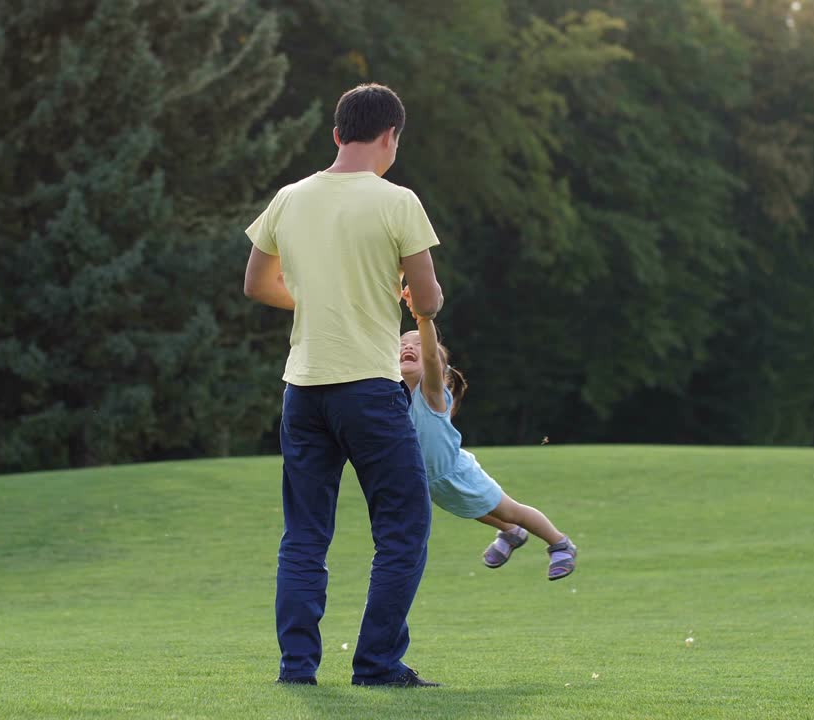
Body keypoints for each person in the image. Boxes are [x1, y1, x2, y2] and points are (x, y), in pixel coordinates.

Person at [243, 84, 443, 688]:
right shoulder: (398, 200)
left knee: (305, 534)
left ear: (336, 134)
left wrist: (312, 299)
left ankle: (296, 669)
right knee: (403, 526)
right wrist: (417, 306)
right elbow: (428, 299)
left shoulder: (288, 198)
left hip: (302, 389)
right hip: (369, 389)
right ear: (391, 137)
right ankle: (378, 664)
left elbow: (257, 283)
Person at [399, 287, 578, 580]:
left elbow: (431, 358)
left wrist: (422, 319)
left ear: (440, 370)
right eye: (403, 343)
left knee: (510, 510)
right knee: (474, 510)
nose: (408, 346)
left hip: (455, 472)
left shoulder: (431, 393)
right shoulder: (392, 395)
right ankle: (512, 535)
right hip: (428, 480)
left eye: (417, 343)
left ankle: (560, 543)